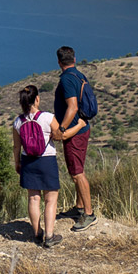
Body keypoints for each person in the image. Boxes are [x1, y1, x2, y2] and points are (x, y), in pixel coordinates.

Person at [12, 83, 64, 248]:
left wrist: (17, 163)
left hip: (28, 161)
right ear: (37, 99)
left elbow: (16, 146)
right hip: (46, 160)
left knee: (33, 198)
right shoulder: (48, 117)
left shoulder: (17, 122)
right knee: (51, 199)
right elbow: (59, 135)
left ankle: (37, 233)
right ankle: (49, 236)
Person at [54, 45, 95, 231]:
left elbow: (72, 107)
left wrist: (61, 128)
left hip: (74, 133)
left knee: (78, 173)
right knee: (76, 170)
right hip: (81, 129)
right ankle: (79, 208)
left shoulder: (67, 81)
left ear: (59, 62)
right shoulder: (79, 75)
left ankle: (88, 214)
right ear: (74, 59)